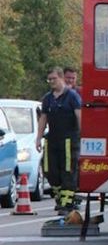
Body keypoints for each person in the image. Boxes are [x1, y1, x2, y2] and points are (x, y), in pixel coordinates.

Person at [36, 67, 82, 217]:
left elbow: (79, 116)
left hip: (69, 139)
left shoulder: (72, 97)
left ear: (61, 78)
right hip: (53, 139)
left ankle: (67, 204)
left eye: (53, 79)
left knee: (68, 171)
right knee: (50, 171)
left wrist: (83, 135)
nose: (51, 82)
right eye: (49, 79)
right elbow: (43, 118)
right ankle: (59, 197)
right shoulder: (48, 98)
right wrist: (38, 137)